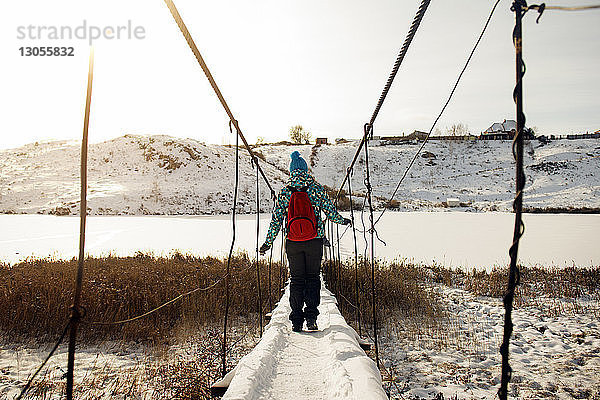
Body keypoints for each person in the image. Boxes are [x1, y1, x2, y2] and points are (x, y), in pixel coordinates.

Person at [259, 151, 350, 332]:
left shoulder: (285, 192)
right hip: (314, 241)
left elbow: (276, 221)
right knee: (313, 279)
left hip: (293, 243)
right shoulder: (316, 189)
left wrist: (267, 243)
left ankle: (296, 321)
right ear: (305, 171)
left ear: (292, 172)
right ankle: (311, 319)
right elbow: (330, 212)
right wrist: (343, 220)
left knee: (296, 280)